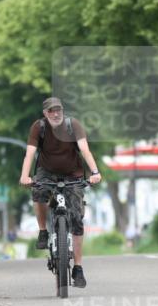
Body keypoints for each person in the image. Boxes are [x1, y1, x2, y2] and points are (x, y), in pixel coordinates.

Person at [18, 97, 102, 288]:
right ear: (45, 114)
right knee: (38, 192)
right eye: (51, 111)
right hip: (46, 172)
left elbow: (85, 150)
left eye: (59, 110)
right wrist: (25, 176)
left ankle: (78, 268)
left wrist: (95, 172)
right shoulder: (38, 128)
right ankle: (42, 231)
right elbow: (30, 154)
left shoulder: (74, 126)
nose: (56, 114)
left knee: (77, 220)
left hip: (73, 173)